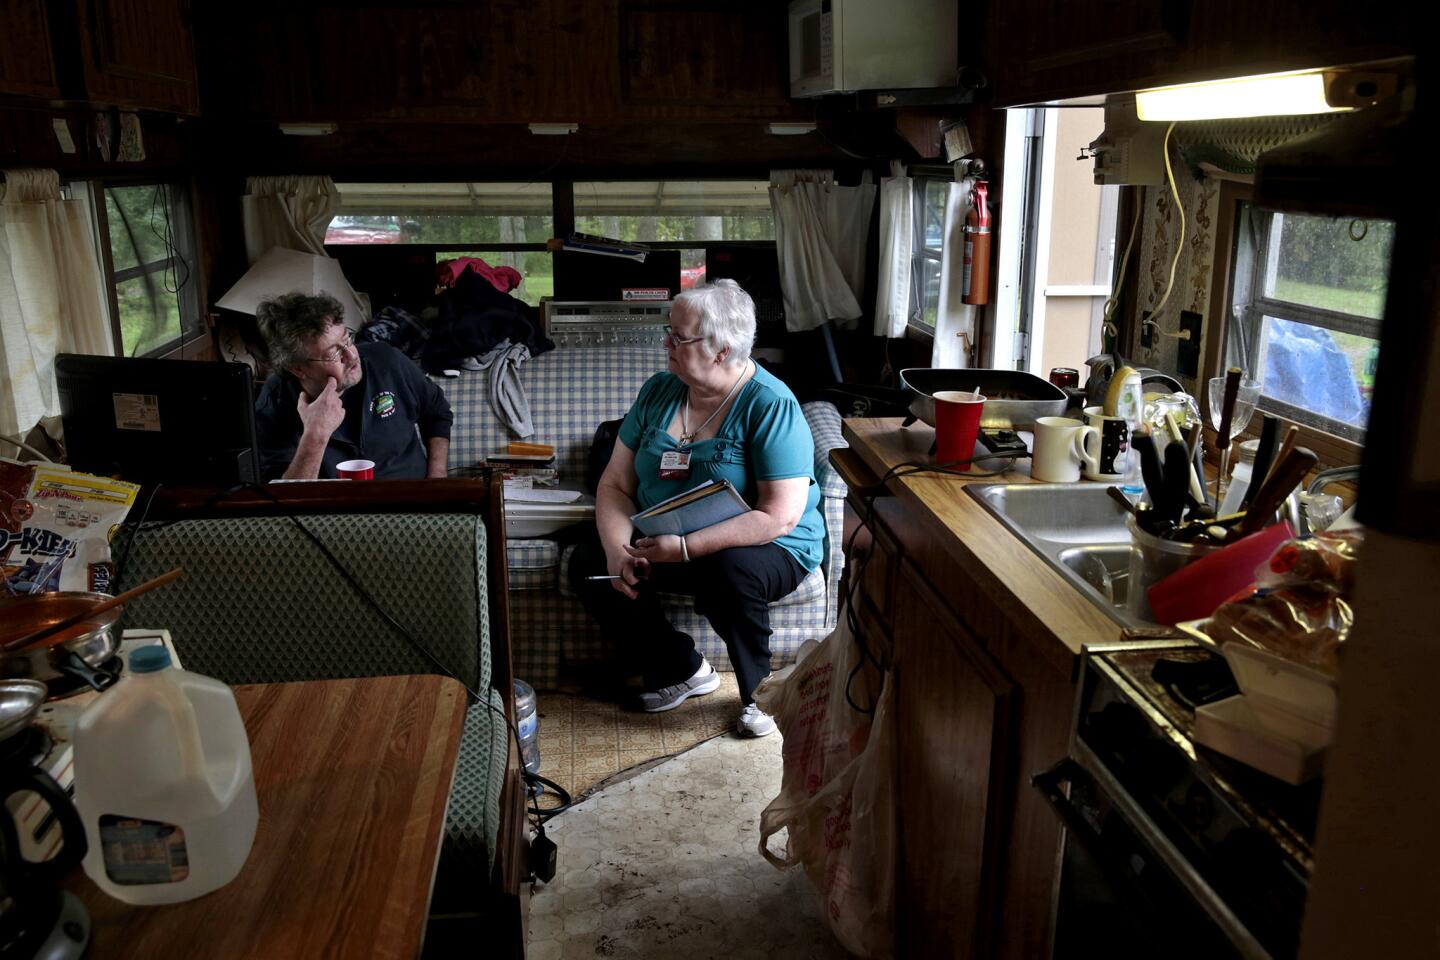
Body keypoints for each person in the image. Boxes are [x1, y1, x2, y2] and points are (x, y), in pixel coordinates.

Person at [571, 280, 825, 737]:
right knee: (589, 560)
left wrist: (686, 547)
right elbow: (614, 484)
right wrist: (616, 550)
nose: (665, 344)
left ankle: (762, 693)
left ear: (721, 350)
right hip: (669, 535)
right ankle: (682, 669)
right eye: (668, 333)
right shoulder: (659, 391)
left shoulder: (770, 404)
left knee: (728, 569)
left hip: (768, 542)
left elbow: (779, 515)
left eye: (678, 337)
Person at [253, 292, 453, 481]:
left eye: (347, 339)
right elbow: (284, 499)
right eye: (334, 354)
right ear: (298, 369)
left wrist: (437, 477)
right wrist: (315, 435)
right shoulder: (275, 401)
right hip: (335, 513)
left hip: (413, 502)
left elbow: (437, 410)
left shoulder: (387, 361)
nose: (351, 356)